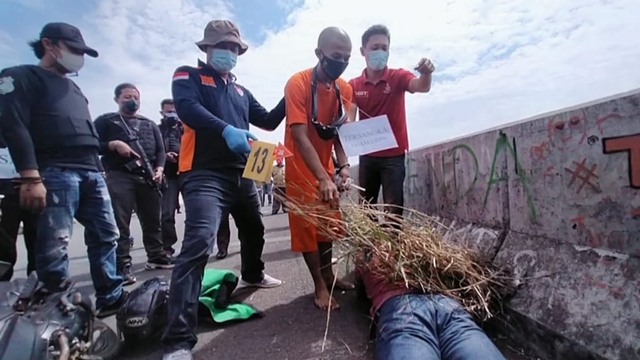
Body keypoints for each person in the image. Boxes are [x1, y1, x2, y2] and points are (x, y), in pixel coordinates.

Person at [163, 19, 286, 360]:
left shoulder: (240, 91)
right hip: (204, 174)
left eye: (234, 48)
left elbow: (270, 119)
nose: (229, 53)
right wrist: (226, 130)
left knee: (254, 228)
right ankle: (177, 341)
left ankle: (253, 273)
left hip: (242, 172)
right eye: (223, 46)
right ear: (207, 48)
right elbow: (189, 109)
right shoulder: (187, 75)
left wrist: (294, 91)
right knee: (199, 243)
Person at [0, 22, 125, 317]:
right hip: (54, 171)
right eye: (74, 50)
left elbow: (85, 135)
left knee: (107, 234)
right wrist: (31, 174)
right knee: (56, 243)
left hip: (91, 172)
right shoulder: (20, 77)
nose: (79, 57)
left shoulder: (74, 87)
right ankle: (55, 304)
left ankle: (111, 295)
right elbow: (13, 125)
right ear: (49, 45)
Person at [283, 27, 354, 310]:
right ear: (319, 53)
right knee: (307, 227)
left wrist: (344, 166)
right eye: (336, 56)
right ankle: (319, 285)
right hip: (300, 165)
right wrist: (323, 178)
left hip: (325, 164)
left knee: (327, 225)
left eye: (347, 58)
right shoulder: (297, 83)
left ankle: (330, 273)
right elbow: (300, 136)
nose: (342, 62)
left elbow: (339, 135)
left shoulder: (344, 89)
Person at [348, 24, 435, 219]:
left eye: (384, 48)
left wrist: (426, 73)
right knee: (366, 210)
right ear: (363, 51)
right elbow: (349, 116)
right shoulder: (353, 85)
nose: (380, 52)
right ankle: (367, 249)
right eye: (374, 47)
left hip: (393, 158)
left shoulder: (398, 77)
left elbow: (421, 86)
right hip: (367, 158)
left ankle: (392, 248)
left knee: (394, 210)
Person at [355, 254, 506, 360]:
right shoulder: (426, 248)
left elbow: (360, 290)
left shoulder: (367, 255)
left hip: (404, 309)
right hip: (447, 304)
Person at [94, 83, 173, 287]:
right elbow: (93, 145)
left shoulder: (148, 124)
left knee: (152, 219)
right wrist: (113, 145)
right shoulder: (106, 121)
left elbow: (161, 152)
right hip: (119, 176)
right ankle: (122, 264)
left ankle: (156, 256)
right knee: (121, 223)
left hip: (147, 178)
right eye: (127, 96)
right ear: (117, 99)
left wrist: (160, 169)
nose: (132, 100)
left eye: (135, 96)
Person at [0, 132, 37, 281]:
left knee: (37, 243)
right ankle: (2, 285)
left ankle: (36, 286)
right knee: (3, 248)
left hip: (33, 191)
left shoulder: (32, 128)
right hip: (4, 195)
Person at [158, 98, 184, 257]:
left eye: (175, 110)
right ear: (162, 112)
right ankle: (167, 247)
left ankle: (192, 246)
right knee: (167, 214)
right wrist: (164, 156)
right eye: (169, 111)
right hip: (168, 176)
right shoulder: (156, 129)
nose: (172, 114)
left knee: (196, 214)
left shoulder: (187, 129)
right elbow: (150, 149)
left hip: (188, 174)